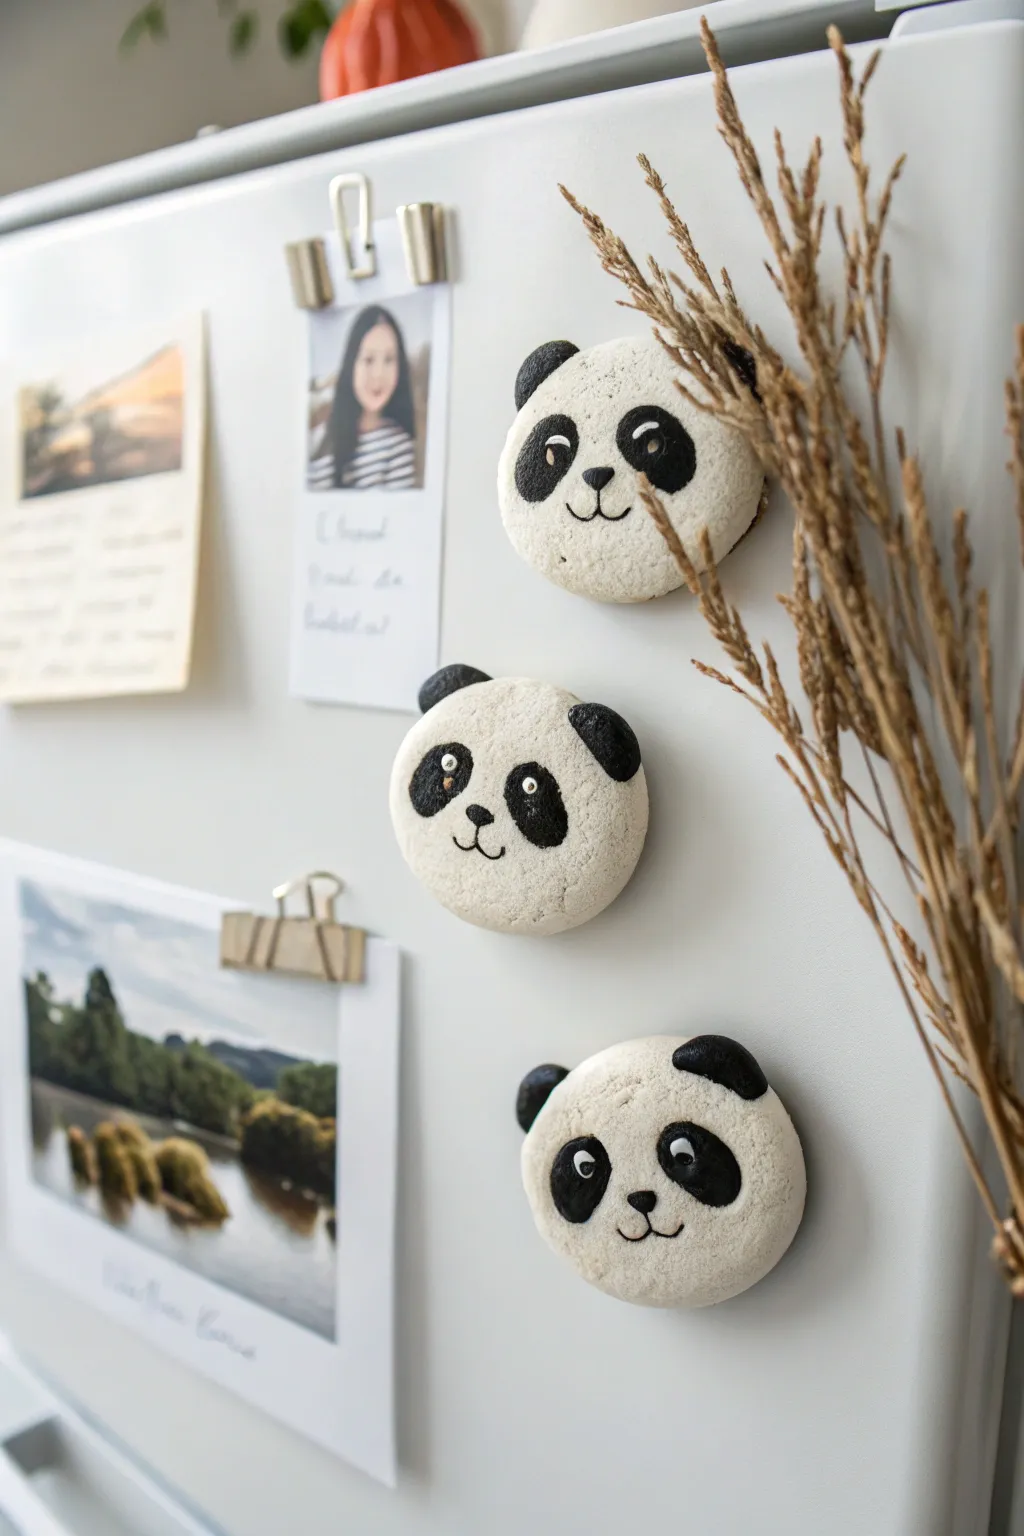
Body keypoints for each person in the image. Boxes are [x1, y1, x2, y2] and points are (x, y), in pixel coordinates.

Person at [311, 305, 418, 491]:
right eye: (368, 360)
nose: (378, 374)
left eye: (389, 360)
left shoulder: (397, 445)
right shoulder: (321, 436)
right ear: (352, 364)